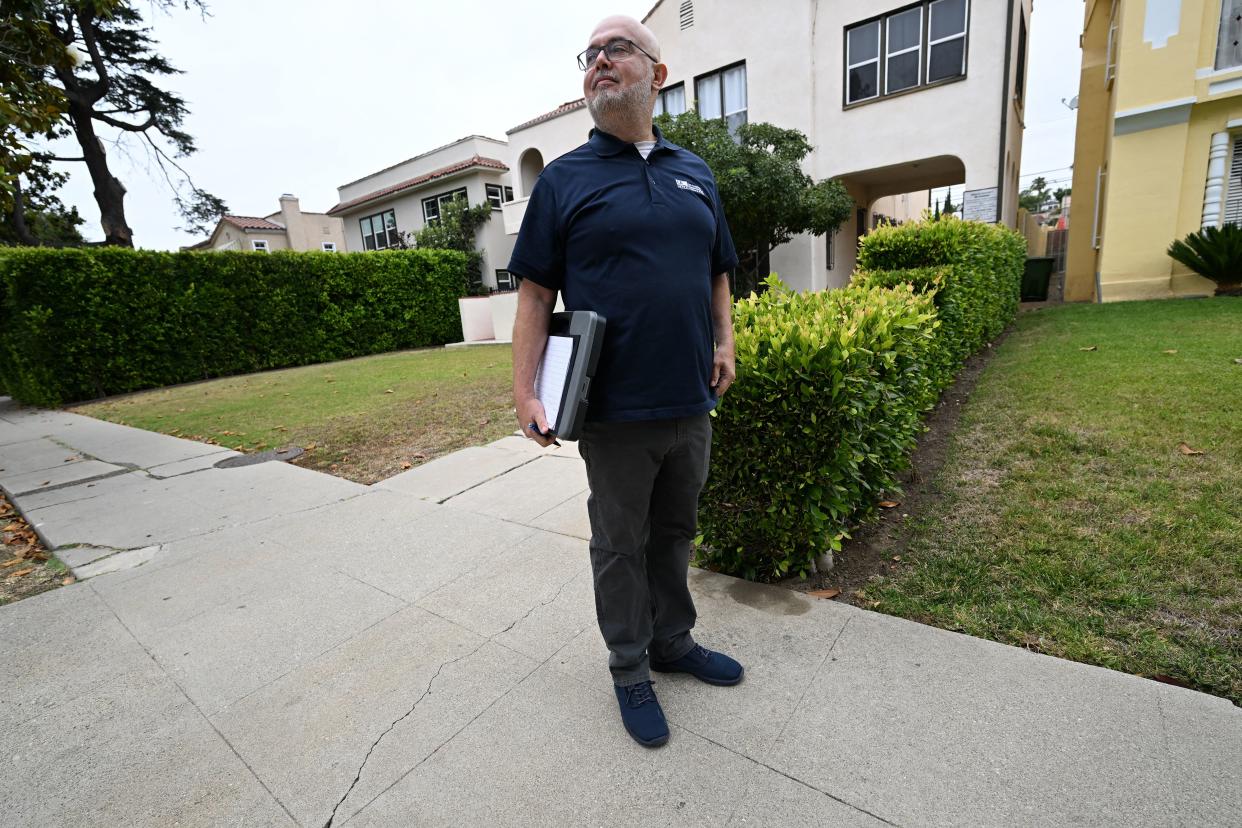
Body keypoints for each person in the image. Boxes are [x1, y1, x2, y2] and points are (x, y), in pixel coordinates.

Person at [508, 15, 743, 748]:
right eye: (590, 55)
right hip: (611, 411)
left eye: (616, 49)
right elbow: (534, 297)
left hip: (690, 401)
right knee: (619, 543)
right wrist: (525, 391)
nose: (599, 63)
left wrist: (727, 340)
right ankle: (628, 665)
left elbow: (718, 268)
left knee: (674, 532)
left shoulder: (695, 172)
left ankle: (673, 642)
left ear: (657, 74)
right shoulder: (564, 181)